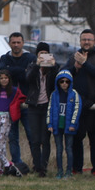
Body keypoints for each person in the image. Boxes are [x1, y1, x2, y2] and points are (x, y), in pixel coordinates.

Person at [63, 29, 95, 176]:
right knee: (77, 137)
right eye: (84, 39)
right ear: (80, 41)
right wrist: (75, 67)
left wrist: (85, 64)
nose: (86, 42)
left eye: (89, 39)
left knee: (94, 137)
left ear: (94, 41)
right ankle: (77, 168)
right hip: (76, 103)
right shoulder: (74, 56)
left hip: (93, 104)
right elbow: (63, 73)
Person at [0, 32, 37, 174]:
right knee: (13, 137)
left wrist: (12, 71)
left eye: (18, 42)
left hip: (27, 103)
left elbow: (29, 77)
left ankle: (37, 165)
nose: (16, 45)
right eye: (13, 42)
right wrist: (22, 70)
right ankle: (17, 165)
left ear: (23, 43)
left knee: (31, 135)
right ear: (9, 43)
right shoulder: (4, 58)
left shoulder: (30, 57)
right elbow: (2, 73)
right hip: (10, 103)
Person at [25, 43, 59, 177]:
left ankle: (43, 167)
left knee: (45, 139)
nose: (43, 56)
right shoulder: (32, 66)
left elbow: (58, 81)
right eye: (41, 53)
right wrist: (37, 65)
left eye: (46, 53)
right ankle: (36, 165)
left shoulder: (52, 68)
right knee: (35, 139)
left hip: (47, 106)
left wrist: (53, 65)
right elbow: (28, 79)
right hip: (34, 106)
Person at [0, 70, 27, 176]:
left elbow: (22, 98)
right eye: (1, 78)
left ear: (9, 79)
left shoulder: (14, 90)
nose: (4, 80)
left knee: (2, 143)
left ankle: (1, 169)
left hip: (6, 117)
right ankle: (7, 163)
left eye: (6, 78)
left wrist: (16, 106)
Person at [47, 69, 82, 178]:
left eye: (67, 81)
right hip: (57, 125)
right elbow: (49, 109)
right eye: (62, 81)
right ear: (58, 82)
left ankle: (69, 171)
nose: (64, 84)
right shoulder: (54, 94)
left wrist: (73, 124)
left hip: (69, 126)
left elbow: (77, 109)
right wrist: (49, 124)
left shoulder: (74, 94)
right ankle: (59, 171)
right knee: (59, 149)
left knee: (69, 149)